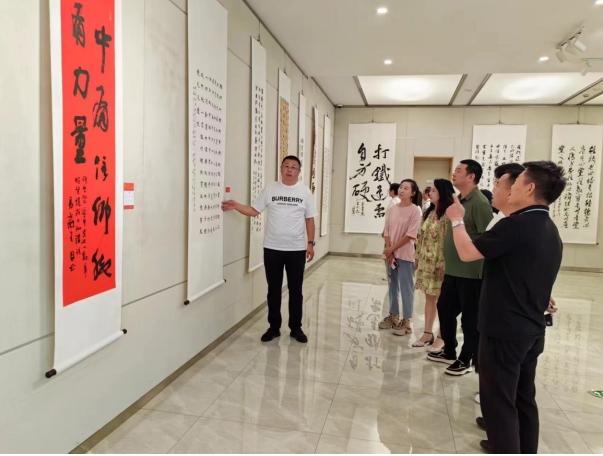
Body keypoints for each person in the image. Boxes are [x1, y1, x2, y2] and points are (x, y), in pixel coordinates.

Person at [446, 161, 566, 454]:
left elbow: (467, 252)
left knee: (498, 404)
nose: (509, 189)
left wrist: (457, 220)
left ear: (529, 188)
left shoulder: (516, 225)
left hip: (505, 330)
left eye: (516, 182)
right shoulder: (548, 227)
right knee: (523, 399)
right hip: (530, 329)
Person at [221, 156, 317, 344]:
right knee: (273, 289)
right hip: (272, 248)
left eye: (294, 167)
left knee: (296, 290)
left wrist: (311, 243)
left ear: (299, 172)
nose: (289, 169)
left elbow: (310, 219)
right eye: (286, 166)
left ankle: (296, 328)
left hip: (296, 249)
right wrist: (236, 206)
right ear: (281, 169)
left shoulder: (305, 192)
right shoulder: (270, 189)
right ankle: (274, 327)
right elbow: (254, 210)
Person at [427, 160, 493, 376]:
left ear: (471, 176)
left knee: (470, 320)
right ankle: (449, 350)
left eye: (458, 170)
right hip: (453, 270)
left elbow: (488, 239)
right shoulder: (459, 200)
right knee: (445, 309)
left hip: (472, 273)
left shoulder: (480, 203)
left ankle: (466, 358)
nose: (453, 174)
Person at [412, 179, 455, 349]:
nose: (430, 192)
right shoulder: (429, 211)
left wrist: (443, 264)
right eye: (431, 190)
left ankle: (442, 336)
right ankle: (427, 333)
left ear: (443, 192)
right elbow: (421, 237)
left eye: (434, 190)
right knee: (429, 298)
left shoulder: (449, 214)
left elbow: (448, 241)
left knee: (443, 301)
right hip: (426, 261)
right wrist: (417, 256)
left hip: (440, 264)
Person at [380, 179, 422, 336]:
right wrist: (389, 251)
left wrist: (392, 249)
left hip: (405, 254)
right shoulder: (393, 209)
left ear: (413, 193)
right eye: (401, 187)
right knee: (392, 286)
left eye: (406, 188)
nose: (402, 190)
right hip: (390, 255)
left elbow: (410, 234)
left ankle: (407, 322)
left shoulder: (415, 210)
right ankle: (393, 316)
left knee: (406, 288)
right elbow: (386, 231)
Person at [381, 183, 401, 281]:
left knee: (389, 254)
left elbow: (390, 220)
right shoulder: (399, 201)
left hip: (390, 234)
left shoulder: (393, 202)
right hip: (394, 233)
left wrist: (385, 231)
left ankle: (391, 276)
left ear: (392, 191)